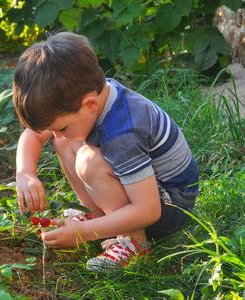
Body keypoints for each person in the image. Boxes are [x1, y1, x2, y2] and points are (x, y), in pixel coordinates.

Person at [12, 31, 199, 271]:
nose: (55, 133)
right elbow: (36, 134)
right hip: (146, 192)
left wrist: (82, 233)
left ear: (89, 104)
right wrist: (25, 173)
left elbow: (149, 210)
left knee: (89, 162)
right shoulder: (94, 95)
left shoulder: (125, 132)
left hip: (170, 206)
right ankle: (100, 216)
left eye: (61, 126)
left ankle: (135, 241)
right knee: (65, 142)